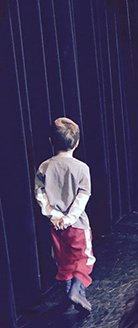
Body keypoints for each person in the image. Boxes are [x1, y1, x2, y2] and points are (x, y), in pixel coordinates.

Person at [34, 117, 94, 312]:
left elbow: (40, 194)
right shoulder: (82, 168)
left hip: (55, 225)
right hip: (77, 224)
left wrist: (53, 215)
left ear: (51, 141)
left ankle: (69, 292)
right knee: (84, 258)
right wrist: (69, 218)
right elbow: (83, 196)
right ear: (77, 143)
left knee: (63, 258)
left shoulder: (44, 167)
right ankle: (76, 291)